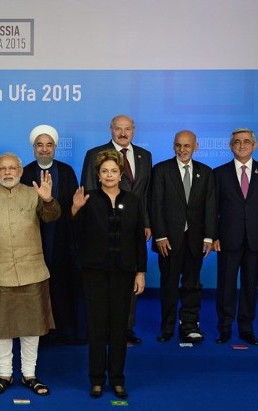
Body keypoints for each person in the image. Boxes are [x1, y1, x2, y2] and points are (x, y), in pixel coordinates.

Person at [0, 152, 59, 397]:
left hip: (33, 272)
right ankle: (5, 374)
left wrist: (48, 199)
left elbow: (52, 216)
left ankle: (29, 375)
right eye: (2, 169)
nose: (7, 172)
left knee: (32, 327)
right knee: (1, 328)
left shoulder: (34, 193)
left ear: (20, 171)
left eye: (12, 168)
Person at [72, 149, 147, 400]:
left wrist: (140, 272)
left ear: (121, 173)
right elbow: (75, 235)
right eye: (104, 171)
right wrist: (75, 210)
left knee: (119, 328)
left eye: (114, 171)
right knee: (96, 327)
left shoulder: (133, 200)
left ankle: (117, 380)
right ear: (98, 174)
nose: (109, 175)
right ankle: (96, 380)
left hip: (124, 272)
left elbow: (139, 240)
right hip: (94, 272)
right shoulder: (88, 198)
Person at [81, 114, 152, 344]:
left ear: (133, 130)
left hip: (131, 227)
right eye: (118, 129)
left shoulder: (144, 155)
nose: (123, 133)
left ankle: (125, 328)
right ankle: (102, 329)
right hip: (103, 230)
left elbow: (145, 194)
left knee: (128, 277)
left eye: (127, 129)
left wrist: (146, 222)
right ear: (111, 130)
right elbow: (88, 192)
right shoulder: (95, 154)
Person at [213, 128, 258, 346]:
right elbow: (212, 209)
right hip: (227, 239)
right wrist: (213, 236)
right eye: (237, 142)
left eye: (246, 141)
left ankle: (246, 328)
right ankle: (224, 328)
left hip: (256, 239)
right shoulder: (219, 173)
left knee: (250, 285)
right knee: (226, 286)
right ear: (231, 146)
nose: (242, 145)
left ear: (254, 145)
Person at [150, 130, 217, 343]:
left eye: (187, 145)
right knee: (168, 285)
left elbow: (210, 206)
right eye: (178, 145)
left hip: (196, 241)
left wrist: (209, 237)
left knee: (192, 285)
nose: (182, 149)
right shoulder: (161, 170)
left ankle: (189, 325)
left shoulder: (206, 172)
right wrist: (160, 236)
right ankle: (167, 328)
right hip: (168, 241)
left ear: (195, 147)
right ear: (173, 146)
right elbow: (155, 205)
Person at [20, 125, 83, 345]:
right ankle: (37, 330)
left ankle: (63, 329)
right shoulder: (25, 172)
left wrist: (75, 209)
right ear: (33, 148)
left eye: (49, 145)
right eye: (40, 145)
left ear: (55, 147)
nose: (44, 149)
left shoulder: (66, 171)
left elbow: (73, 209)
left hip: (62, 237)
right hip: (32, 239)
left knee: (61, 284)